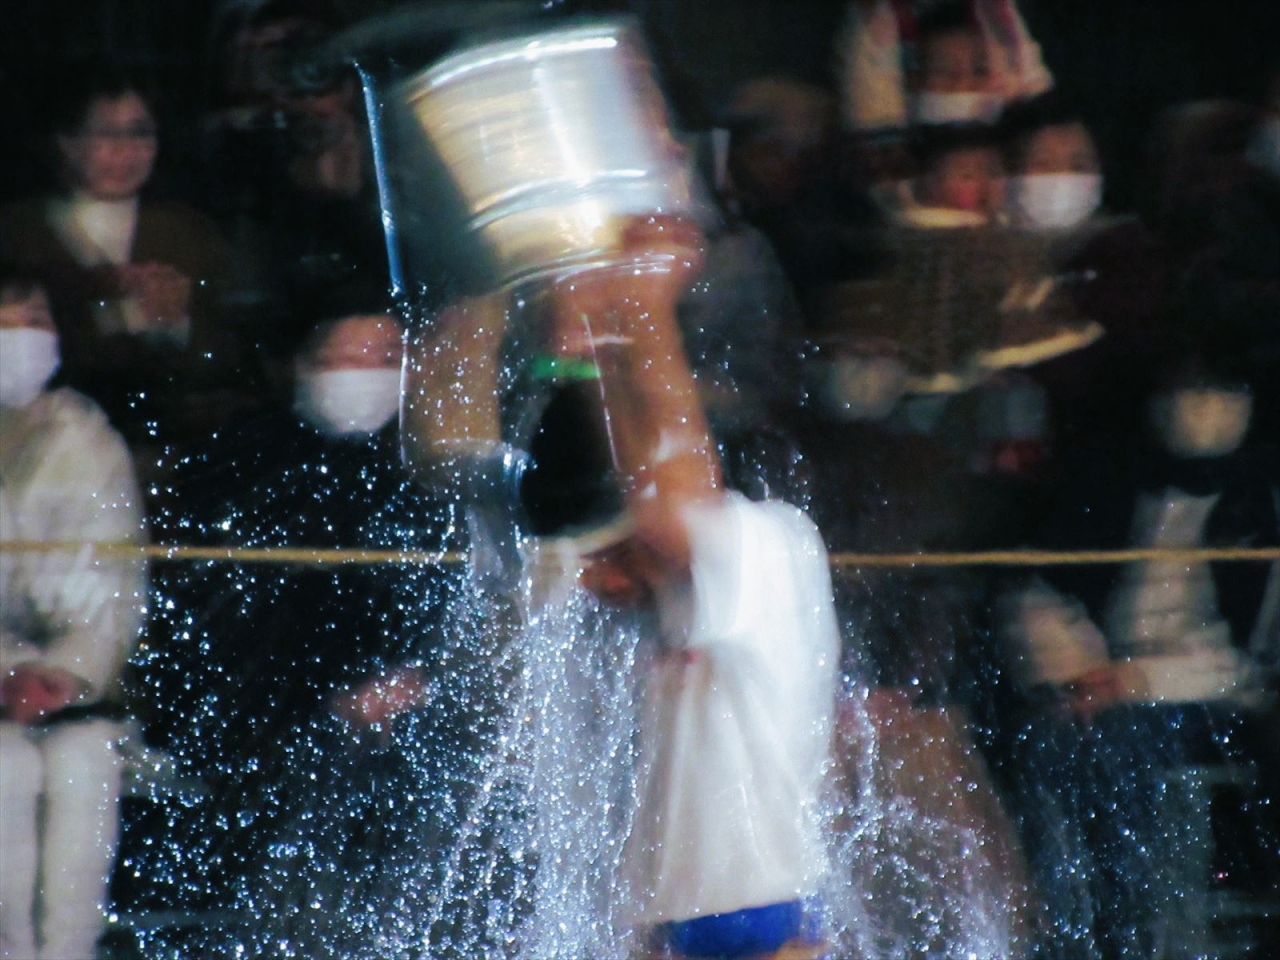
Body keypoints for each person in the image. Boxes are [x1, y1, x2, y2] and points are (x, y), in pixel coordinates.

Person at [523, 216, 841, 959]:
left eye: (602, 560)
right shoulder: (672, 590)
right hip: (687, 916)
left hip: (758, 916)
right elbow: (636, 483)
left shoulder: (771, 551)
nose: (595, 585)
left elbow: (669, 497)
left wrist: (645, 304)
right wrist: (589, 347)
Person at [149, 299, 497, 956]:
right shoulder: (238, 463)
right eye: (346, 355)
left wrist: (415, 676)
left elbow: (453, 603)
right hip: (266, 720)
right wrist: (326, 697)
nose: (366, 371)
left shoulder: (431, 472)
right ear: (303, 365)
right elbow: (216, 618)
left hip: (405, 717)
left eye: (386, 357)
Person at [0, 271, 148, 960]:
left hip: (68, 697)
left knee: (83, 765)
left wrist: (62, 672)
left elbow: (112, 581)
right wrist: (8, 670)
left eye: (33, 319)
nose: (19, 337)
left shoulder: (85, 440)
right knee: (7, 771)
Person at [0, 64, 255, 462]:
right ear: (65, 141)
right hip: (42, 449)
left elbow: (232, 354)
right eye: (104, 132)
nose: (125, 150)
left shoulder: (191, 232)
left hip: (177, 451)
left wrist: (177, 324)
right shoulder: (17, 231)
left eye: (140, 132)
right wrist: (120, 311)